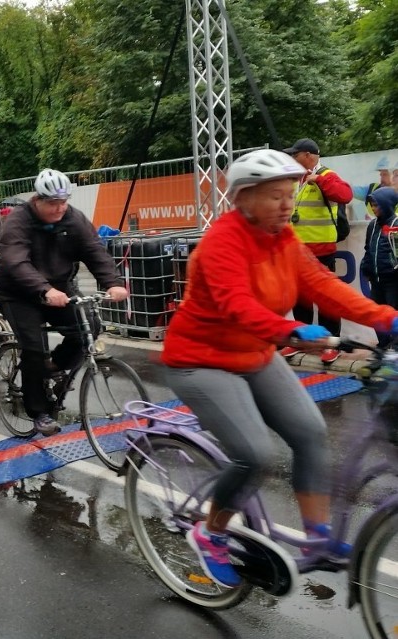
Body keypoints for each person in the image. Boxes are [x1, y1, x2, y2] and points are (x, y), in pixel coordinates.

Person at [158, 149, 398, 589]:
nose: (286, 205)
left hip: (255, 354)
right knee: (254, 455)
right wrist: (288, 329)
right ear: (243, 198)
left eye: (289, 194)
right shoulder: (220, 244)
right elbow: (237, 306)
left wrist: (384, 316)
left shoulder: (284, 239)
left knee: (310, 433)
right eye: (274, 196)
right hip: (200, 360)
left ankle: (317, 537)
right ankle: (210, 534)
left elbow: (323, 285)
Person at [0, 168, 128, 436]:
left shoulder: (73, 218)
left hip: (60, 289)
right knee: (34, 348)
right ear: (37, 200)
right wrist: (44, 289)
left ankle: (53, 366)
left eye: (63, 202)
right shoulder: (18, 222)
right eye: (53, 203)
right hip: (19, 293)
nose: (59, 209)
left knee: (88, 326)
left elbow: (93, 250)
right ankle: (39, 412)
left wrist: (113, 282)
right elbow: (16, 262)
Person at [281, 138, 353, 364]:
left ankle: (331, 345)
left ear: (309, 156)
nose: (293, 158)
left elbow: (345, 195)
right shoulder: (295, 180)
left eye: (296, 154)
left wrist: (319, 180)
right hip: (296, 252)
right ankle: (302, 342)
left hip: (321, 251)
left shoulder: (327, 175)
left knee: (327, 300)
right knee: (300, 300)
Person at [360, 187, 398, 348]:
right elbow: (368, 249)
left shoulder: (396, 225)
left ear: (388, 204)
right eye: (373, 205)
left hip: (393, 282)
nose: (374, 209)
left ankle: (395, 351)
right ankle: (384, 346)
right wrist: (366, 268)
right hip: (376, 280)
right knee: (377, 316)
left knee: (394, 317)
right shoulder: (372, 225)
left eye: (378, 205)